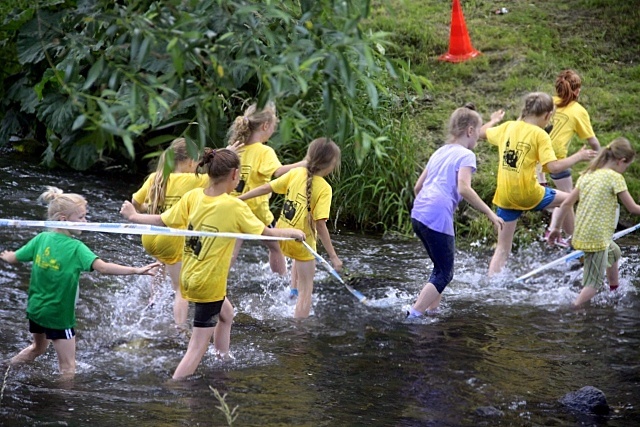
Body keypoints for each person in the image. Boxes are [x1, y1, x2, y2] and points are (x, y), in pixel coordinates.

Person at [120, 148, 305, 379]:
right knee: (196, 347)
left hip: (190, 276)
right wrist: (294, 233)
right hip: (208, 284)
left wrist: (133, 216)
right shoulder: (235, 207)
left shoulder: (194, 197)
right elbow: (267, 234)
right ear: (235, 174)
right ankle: (175, 386)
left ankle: (221, 358)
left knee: (227, 314)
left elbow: (162, 220)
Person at [0, 187, 159, 377]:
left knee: (37, 348)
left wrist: (7, 255)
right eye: (81, 217)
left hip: (36, 310)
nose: (86, 222)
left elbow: (16, 257)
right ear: (63, 219)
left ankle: (6, 368)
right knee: (68, 367)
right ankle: (61, 402)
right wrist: (136, 270)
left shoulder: (41, 239)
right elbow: (104, 268)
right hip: (59, 317)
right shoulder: (77, 248)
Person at [481, 92, 597, 276]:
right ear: (547, 115)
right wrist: (579, 156)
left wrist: (494, 120)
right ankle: (573, 242)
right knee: (569, 199)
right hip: (530, 194)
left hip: (505, 196)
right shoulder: (540, 135)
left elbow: (481, 133)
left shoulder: (507, 127)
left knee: (502, 248)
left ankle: (491, 283)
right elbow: (552, 166)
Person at [407, 106, 504, 318]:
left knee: (439, 268)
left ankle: (433, 310)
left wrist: (429, 206)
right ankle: (414, 314)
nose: (478, 138)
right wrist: (490, 213)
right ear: (470, 131)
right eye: (478, 132)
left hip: (419, 214)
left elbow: (417, 187)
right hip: (437, 216)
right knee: (445, 273)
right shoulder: (466, 155)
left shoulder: (439, 151)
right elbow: (463, 188)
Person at [238, 138, 342, 319]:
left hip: (283, 237)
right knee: (307, 290)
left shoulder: (296, 173)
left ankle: (292, 290)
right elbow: (320, 224)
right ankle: (299, 332)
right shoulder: (324, 188)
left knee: (297, 261)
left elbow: (266, 187)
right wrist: (333, 256)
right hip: (303, 243)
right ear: (331, 165)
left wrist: (239, 199)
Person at [547, 137, 640, 306]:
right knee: (593, 284)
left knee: (614, 252)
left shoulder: (588, 175)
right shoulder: (615, 178)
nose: (625, 170)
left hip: (582, 233)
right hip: (596, 238)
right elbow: (632, 208)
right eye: (626, 166)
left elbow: (567, 203)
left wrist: (556, 228)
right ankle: (574, 310)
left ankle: (614, 289)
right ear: (621, 161)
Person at [130, 137, 209, 333]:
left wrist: (148, 210)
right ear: (190, 161)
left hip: (150, 236)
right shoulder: (194, 180)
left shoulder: (156, 177)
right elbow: (219, 178)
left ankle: (154, 300)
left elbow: (135, 202)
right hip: (173, 238)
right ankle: (180, 327)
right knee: (181, 289)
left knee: (161, 263)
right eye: (197, 162)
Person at [228, 102, 307, 276]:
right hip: (257, 212)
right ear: (265, 126)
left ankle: (219, 282)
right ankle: (281, 281)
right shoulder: (264, 152)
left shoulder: (236, 148)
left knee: (230, 252)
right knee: (276, 246)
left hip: (232, 207)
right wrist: (304, 164)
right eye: (273, 126)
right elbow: (278, 172)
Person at [540, 70, 601, 238]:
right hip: (557, 160)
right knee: (567, 199)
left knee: (563, 198)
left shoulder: (549, 102)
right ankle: (573, 241)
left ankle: (555, 228)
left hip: (536, 157)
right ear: (576, 91)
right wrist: (602, 156)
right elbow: (593, 142)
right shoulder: (578, 110)